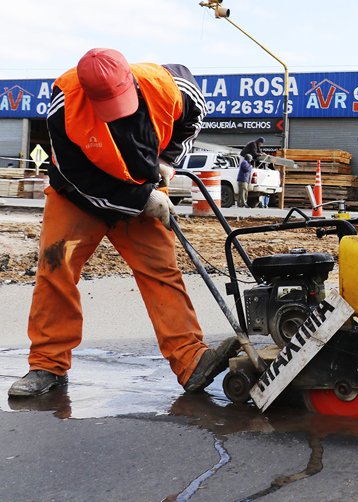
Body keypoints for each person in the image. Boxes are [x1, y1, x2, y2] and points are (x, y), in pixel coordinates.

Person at [8, 48, 239, 398]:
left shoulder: (170, 85)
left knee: (162, 273)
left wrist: (168, 158)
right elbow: (77, 175)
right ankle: (47, 365)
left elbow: (192, 118)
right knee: (57, 270)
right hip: (78, 198)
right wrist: (140, 200)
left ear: (130, 79)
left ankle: (191, 361)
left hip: (140, 188)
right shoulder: (64, 104)